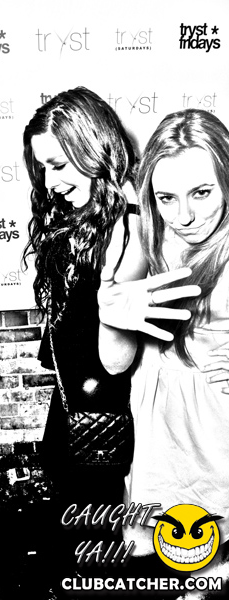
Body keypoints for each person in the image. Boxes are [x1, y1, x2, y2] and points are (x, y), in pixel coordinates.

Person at [22, 87, 198, 591]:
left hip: (104, 406)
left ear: (93, 148)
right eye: (42, 168)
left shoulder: (128, 228)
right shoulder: (79, 212)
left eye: (59, 165)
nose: (50, 182)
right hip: (73, 396)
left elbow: (116, 361)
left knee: (95, 540)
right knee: (83, 523)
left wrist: (111, 309)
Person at [98, 108, 229, 587]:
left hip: (220, 418)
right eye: (166, 198)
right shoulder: (145, 237)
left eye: (202, 193)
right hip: (162, 415)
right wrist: (110, 318)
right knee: (181, 547)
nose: (184, 216)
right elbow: (115, 363)